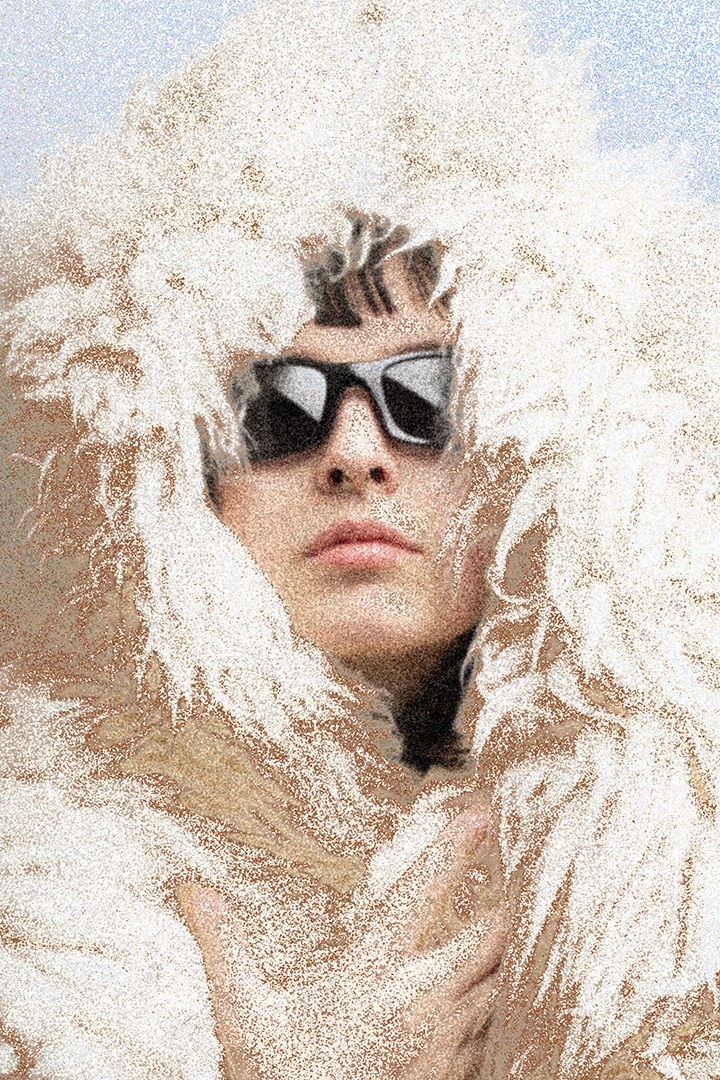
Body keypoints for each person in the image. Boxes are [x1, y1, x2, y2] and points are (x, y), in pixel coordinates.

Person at [2, 0, 720, 1077]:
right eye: (274, 406)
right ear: (156, 471)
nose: (353, 453)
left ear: (548, 443)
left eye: (425, 396)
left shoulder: (681, 878)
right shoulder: (40, 877)